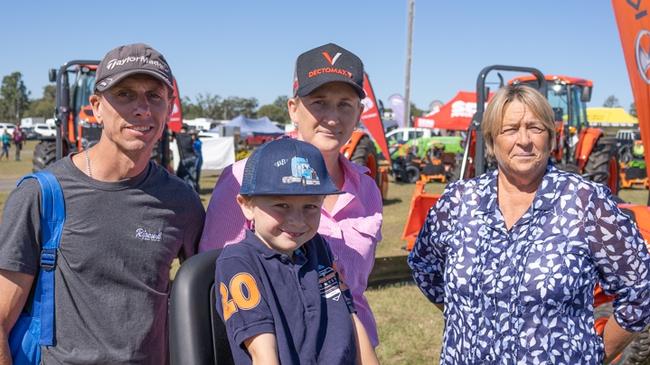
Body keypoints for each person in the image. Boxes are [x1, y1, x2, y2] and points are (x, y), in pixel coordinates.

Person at [408, 84, 650, 364]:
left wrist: (596, 354)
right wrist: (466, 313)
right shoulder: (458, 202)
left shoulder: (586, 203)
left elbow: (641, 289)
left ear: (551, 138)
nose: (523, 139)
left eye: (535, 128)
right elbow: (423, 266)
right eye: (510, 129)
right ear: (491, 140)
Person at [0, 43, 205, 365]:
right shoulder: (41, 195)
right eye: (124, 95)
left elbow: (209, 296)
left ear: (168, 106)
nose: (142, 109)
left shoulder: (181, 201)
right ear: (96, 106)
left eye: (155, 96)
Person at [200, 43, 383, 346]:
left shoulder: (367, 188)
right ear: (293, 109)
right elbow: (214, 280)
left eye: (345, 104)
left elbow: (355, 291)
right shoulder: (244, 178)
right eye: (319, 102)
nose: (333, 117)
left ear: (360, 113)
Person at [215, 137, 378, 364]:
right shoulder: (238, 262)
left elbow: (350, 317)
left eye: (310, 206)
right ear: (247, 206)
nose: (297, 221)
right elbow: (263, 353)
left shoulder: (318, 248)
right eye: (282, 205)